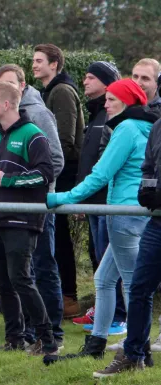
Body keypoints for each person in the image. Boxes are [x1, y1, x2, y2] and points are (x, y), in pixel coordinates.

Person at [45, 79, 156, 365]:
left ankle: (137, 352)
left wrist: (61, 198)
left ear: (126, 101)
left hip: (123, 216)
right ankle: (98, 342)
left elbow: (100, 175)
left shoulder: (126, 129)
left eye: (111, 99)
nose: (105, 104)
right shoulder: (146, 126)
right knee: (104, 279)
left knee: (132, 285)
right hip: (137, 214)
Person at [0, 82, 57, 355]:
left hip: (21, 219)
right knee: (3, 283)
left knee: (21, 279)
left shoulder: (34, 135)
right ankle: (15, 338)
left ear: (6, 104)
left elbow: (45, 174)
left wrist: (6, 180)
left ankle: (47, 339)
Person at [0, 64, 65, 347]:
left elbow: (55, 161)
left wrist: (22, 185)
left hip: (37, 208)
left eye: (11, 84)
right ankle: (25, 335)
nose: (7, 90)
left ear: (22, 86)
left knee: (42, 269)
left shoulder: (38, 115)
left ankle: (53, 334)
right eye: (1, 85)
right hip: (6, 212)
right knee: (17, 275)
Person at [91, 110, 161, 378]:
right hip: (156, 221)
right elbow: (149, 166)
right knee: (139, 287)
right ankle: (134, 355)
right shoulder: (156, 128)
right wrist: (147, 190)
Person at [71, 62, 127, 333]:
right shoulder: (96, 115)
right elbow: (89, 162)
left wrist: (74, 196)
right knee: (98, 257)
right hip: (93, 200)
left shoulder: (115, 119)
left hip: (107, 201)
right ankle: (105, 312)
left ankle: (117, 315)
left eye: (91, 77)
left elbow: (105, 167)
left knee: (109, 259)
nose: (85, 81)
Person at [33, 43, 85, 318]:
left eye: (39, 60)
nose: (34, 65)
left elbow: (65, 140)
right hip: (55, 173)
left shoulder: (62, 91)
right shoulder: (47, 92)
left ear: (54, 64)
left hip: (63, 173)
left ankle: (68, 298)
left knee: (60, 239)